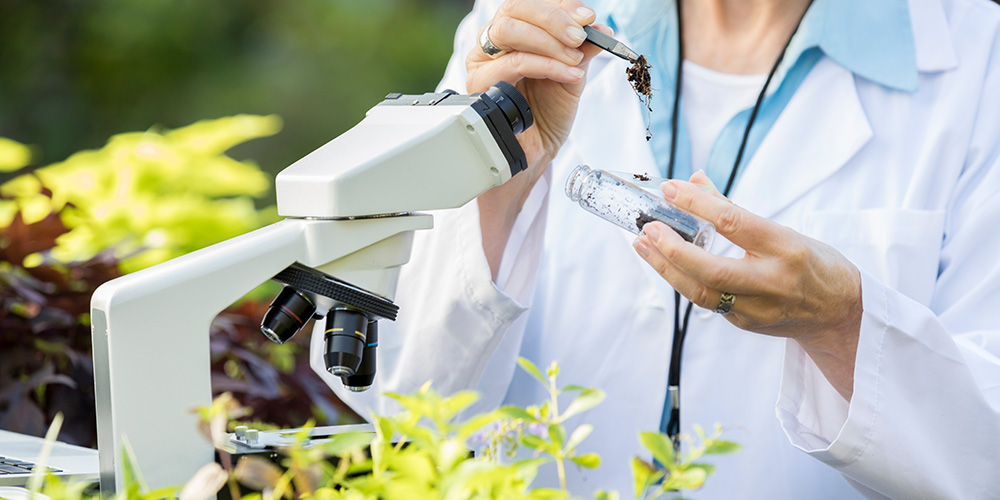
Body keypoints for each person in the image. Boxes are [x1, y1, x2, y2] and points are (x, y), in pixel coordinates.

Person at [312, 0, 1000, 497]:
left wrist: (843, 325)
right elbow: (399, 403)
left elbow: (986, 457)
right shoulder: (523, 26)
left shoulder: (979, 59)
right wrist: (496, 183)